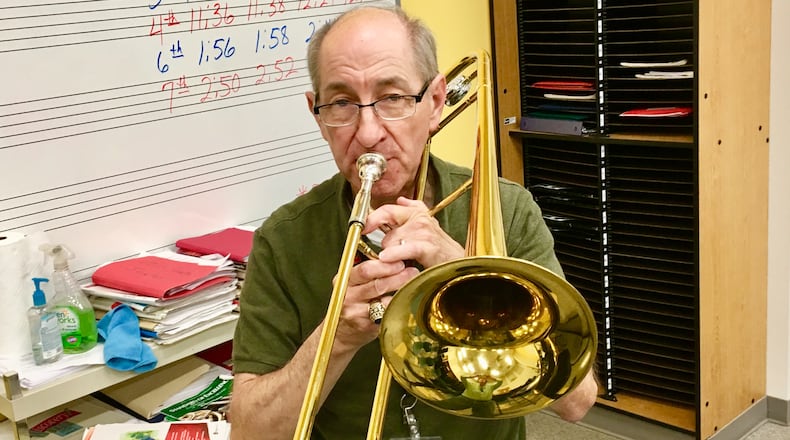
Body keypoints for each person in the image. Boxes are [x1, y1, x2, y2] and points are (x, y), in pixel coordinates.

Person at [229, 5, 598, 439]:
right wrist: (339, 335)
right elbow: (250, 431)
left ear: (436, 102)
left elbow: (578, 402)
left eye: (392, 98)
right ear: (318, 115)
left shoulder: (507, 207)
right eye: (342, 102)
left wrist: (467, 271)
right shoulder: (283, 238)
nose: (368, 133)